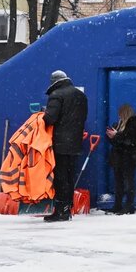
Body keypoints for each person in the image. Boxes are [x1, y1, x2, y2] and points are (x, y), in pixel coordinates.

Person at [42, 70, 89, 222]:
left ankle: (60, 211)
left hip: (60, 143)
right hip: (75, 143)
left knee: (60, 178)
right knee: (69, 176)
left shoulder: (56, 95)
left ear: (54, 82)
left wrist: (43, 113)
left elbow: (50, 119)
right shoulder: (80, 95)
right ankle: (67, 209)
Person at [106, 104, 136, 214]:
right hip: (118, 157)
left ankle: (129, 205)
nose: (119, 117)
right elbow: (119, 141)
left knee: (128, 182)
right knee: (119, 182)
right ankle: (118, 205)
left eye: (121, 115)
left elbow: (130, 140)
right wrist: (113, 136)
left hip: (129, 157)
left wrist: (117, 135)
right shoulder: (118, 125)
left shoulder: (135, 123)